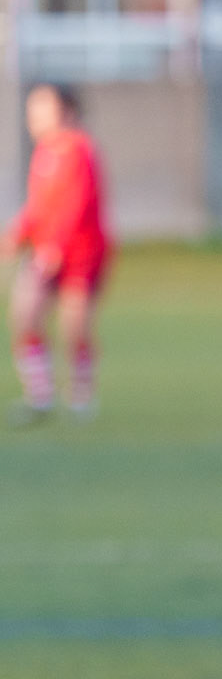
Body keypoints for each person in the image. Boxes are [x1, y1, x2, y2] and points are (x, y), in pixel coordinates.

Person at [2, 83, 112, 425]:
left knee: (73, 324)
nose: (33, 115)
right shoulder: (44, 152)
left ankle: (81, 395)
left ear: (64, 110)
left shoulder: (79, 149)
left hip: (80, 252)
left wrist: (55, 247)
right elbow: (39, 207)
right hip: (45, 249)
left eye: (41, 106)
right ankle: (40, 396)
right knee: (24, 314)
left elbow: (75, 203)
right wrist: (15, 235)